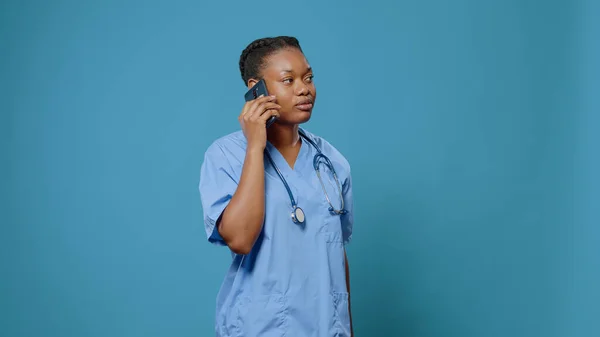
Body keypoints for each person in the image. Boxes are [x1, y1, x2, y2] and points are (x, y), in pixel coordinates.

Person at [198, 36, 355, 337]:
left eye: (308, 77)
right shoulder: (225, 156)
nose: (304, 88)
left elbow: (335, 252)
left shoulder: (332, 162)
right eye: (288, 80)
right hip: (261, 327)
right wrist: (255, 147)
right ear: (256, 89)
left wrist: (346, 327)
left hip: (328, 328)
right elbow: (240, 239)